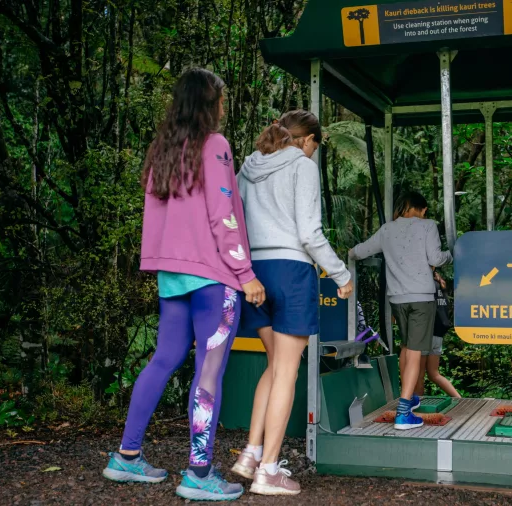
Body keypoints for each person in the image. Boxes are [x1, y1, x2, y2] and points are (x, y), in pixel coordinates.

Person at [102, 68, 265, 502]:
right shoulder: (215, 145)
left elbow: (157, 216)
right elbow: (223, 214)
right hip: (214, 274)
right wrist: (245, 273)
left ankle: (127, 456)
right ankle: (198, 472)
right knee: (209, 369)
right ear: (210, 103)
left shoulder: (163, 149)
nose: (225, 107)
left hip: (172, 274)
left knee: (163, 359)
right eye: (222, 99)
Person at [230, 110, 353, 496]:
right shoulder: (302, 166)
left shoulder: (247, 168)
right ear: (308, 140)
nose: (316, 152)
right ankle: (268, 470)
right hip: (290, 270)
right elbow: (309, 232)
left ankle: (251, 454)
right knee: (287, 372)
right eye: (317, 144)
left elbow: (233, 221)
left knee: (274, 365)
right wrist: (341, 274)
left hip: (253, 273)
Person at [349, 191, 452, 430]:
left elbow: (358, 252)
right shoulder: (427, 226)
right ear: (421, 208)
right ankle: (404, 412)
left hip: (397, 297)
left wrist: (347, 255)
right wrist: (451, 255)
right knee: (415, 350)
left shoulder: (387, 230)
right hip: (421, 297)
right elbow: (436, 257)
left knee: (407, 345)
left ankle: (409, 399)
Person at [414, 275, 461, 399]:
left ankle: (417, 404)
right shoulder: (440, 285)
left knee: (419, 375)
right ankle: (459, 399)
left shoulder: (426, 285)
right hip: (438, 335)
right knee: (434, 374)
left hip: (426, 333)